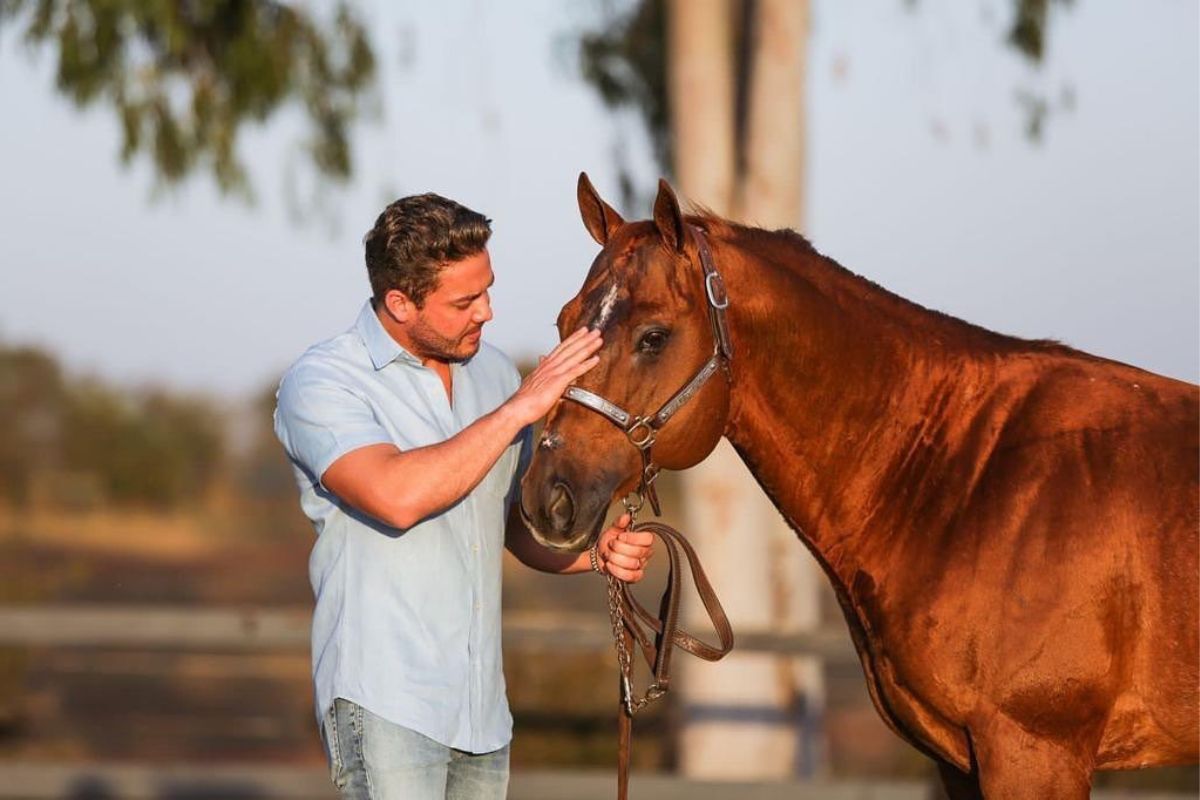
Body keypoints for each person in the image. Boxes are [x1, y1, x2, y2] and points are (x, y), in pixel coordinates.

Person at [273, 193, 654, 800]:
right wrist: (520, 410)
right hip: (384, 700)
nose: (488, 312)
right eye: (463, 301)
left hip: (482, 712)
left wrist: (594, 555)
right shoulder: (323, 382)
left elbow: (510, 527)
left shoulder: (495, 374)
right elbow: (396, 495)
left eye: (487, 289)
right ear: (399, 303)